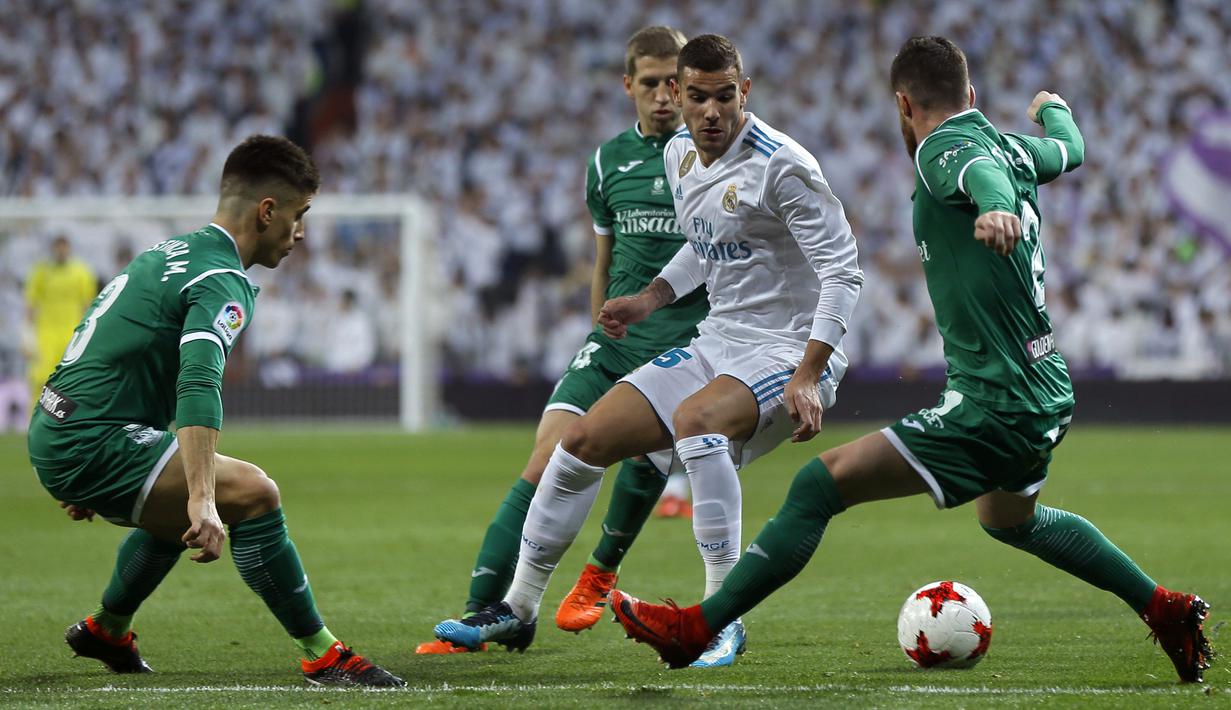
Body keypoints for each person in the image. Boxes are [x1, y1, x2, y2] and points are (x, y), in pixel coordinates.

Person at [609, 36, 1214, 684]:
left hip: (993, 400)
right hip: (1043, 385)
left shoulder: (940, 147)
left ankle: (697, 627)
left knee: (819, 484)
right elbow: (1071, 148)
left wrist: (995, 206)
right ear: (972, 94)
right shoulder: (1013, 146)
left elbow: (974, 177)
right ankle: (1162, 606)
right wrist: (1051, 109)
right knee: (1010, 520)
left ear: (903, 103)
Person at [434, 34, 862, 669]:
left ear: (744, 93)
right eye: (697, 97)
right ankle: (518, 607)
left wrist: (808, 372)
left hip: (785, 352)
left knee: (695, 422)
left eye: (724, 97)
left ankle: (721, 618)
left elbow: (844, 271)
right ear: (678, 96)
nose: (710, 111)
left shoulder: (783, 166)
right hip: (718, 340)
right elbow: (701, 243)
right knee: (579, 442)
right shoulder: (682, 154)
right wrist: (650, 298)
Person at [26, 135, 403, 687]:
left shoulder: (167, 252)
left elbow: (100, 337)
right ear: (266, 211)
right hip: (92, 437)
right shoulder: (222, 280)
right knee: (252, 493)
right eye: (299, 216)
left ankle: (107, 628)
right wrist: (202, 495)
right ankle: (323, 653)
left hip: (59, 421)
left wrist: (69, 439)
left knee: (173, 508)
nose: (300, 233)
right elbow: (198, 380)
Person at [415, 25, 711, 656]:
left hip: (683, 341)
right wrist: (594, 321)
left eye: (674, 84)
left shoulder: (714, 158)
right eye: (652, 83)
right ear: (628, 85)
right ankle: (487, 614)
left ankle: (600, 570)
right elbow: (604, 258)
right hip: (613, 340)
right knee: (545, 456)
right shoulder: (606, 162)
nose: (664, 96)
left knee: (641, 459)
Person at [24, 235, 97, 406]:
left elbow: (89, 306)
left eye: (64, 247)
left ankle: (64, 424)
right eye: (58, 247)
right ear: (53, 249)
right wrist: (26, 336)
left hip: (71, 334)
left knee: (69, 380)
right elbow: (30, 305)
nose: (61, 251)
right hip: (45, 335)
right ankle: (35, 420)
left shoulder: (81, 272)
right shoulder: (41, 272)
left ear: (69, 248)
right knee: (40, 378)